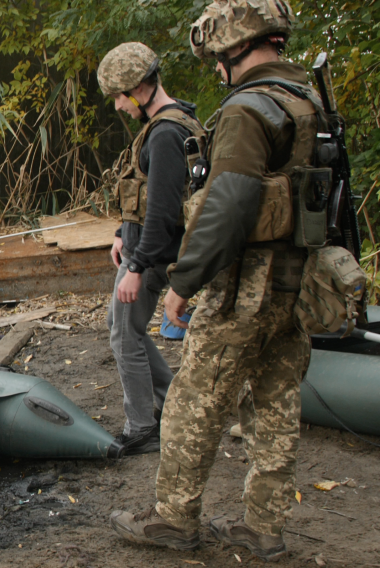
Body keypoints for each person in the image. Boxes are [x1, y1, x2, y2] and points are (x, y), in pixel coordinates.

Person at [110, 0, 319, 560]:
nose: (214, 70)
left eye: (216, 58)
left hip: (245, 287)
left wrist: (183, 282)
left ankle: (173, 519)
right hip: (296, 284)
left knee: (192, 400)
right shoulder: (307, 102)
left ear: (232, 48)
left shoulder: (248, 111)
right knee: (274, 403)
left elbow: (228, 204)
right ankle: (263, 529)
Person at [98, 42, 205, 455]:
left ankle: (142, 426)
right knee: (122, 327)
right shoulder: (177, 121)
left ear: (138, 88)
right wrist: (121, 233)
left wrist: (139, 265)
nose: (119, 107)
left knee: (125, 337)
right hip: (141, 246)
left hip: (153, 255)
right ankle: (175, 400)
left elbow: (162, 209)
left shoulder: (165, 133)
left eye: (119, 98)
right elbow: (146, 194)